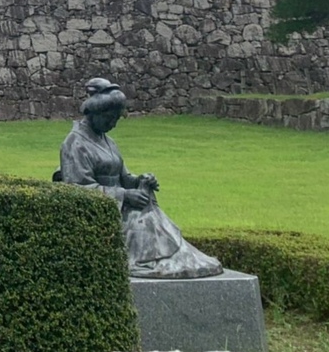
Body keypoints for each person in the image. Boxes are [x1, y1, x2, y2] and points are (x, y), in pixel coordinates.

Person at [58, 78, 222, 279]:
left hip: (119, 206)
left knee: (152, 216)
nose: (113, 124)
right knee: (145, 221)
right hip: (101, 212)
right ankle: (155, 261)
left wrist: (140, 181)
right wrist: (125, 196)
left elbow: (123, 176)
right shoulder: (74, 144)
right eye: (109, 118)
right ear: (94, 113)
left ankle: (176, 259)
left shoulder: (108, 141)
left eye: (116, 119)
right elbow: (78, 190)